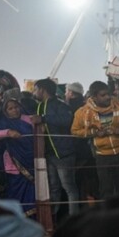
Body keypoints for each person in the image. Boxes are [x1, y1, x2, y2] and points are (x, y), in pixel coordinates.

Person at [70, 81, 119, 200]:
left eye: (108, 94)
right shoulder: (83, 112)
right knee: (106, 189)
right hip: (102, 155)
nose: (108, 97)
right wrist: (94, 133)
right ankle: (107, 216)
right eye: (103, 95)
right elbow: (75, 131)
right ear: (93, 97)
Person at [32, 78, 78, 220]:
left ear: (42, 90)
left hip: (63, 153)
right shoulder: (40, 106)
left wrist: (44, 119)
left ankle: (73, 219)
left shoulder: (60, 105)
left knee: (69, 187)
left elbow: (66, 121)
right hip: (49, 153)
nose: (34, 92)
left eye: (35, 89)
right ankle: (53, 219)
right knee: (54, 188)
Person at [0, 95, 36, 218]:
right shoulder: (3, 123)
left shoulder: (29, 119)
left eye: (16, 107)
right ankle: (16, 218)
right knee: (14, 189)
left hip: (32, 160)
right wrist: (8, 132)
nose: (14, 110)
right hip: (14, 163)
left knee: (32, 190)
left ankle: (32, 218)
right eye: (10, 108)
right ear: (5, 111)